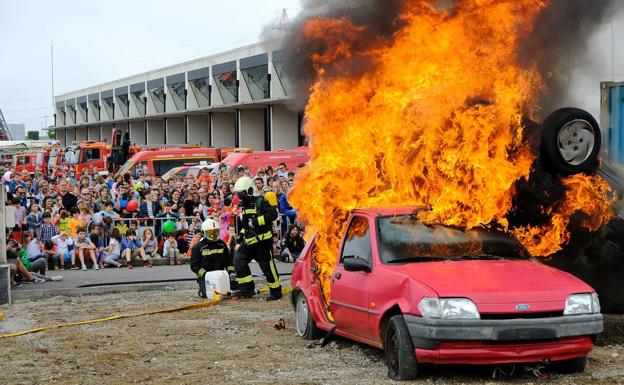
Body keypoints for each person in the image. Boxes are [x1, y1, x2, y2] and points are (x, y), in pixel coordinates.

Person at [231, 176, 282, 300]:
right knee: (238, 261)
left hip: (262, 242)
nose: (239, 195)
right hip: (249, 242)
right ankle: (247, 289)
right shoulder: (244, 204)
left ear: (249, 190)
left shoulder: (260, 201)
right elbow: (245, 224)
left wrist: (256, 221)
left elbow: (273, 214)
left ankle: (276, 292)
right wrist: (241, 236)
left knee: (267, 267)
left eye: (241, 192)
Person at [190, 219, 235, 298]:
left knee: (234, 289)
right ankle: (202, 290)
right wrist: (205, 274)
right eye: (211, 233)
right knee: (207, 294)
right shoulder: (198, 247)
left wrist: (231, 272)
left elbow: (229, 261)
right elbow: (194, 266)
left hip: (220, 275)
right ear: (204, 233)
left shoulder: (222, 244)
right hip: (205, 276)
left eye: (216, 232)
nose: (214, 235)